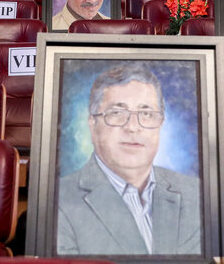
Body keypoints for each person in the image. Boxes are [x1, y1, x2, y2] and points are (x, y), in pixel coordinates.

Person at [57, 63, 201, 256]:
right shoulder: (58, 200)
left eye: (147, 114)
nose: (133, 127)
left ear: (160, 124)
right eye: (117, 113)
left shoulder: (195, 193)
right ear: (92, 124)